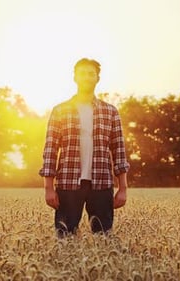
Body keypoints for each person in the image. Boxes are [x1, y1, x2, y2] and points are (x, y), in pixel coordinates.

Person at [39, 58, 130, 237]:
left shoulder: (110, 111)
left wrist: (123, 188)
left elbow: (118, 150)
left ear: (97, 78)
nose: (86, 77)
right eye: (82, 73)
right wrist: (48, 187)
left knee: (104, 238)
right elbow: (50, 149)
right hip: (68, 182)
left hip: (102, 183)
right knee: (65, 237)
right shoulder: (60, 110)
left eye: (91, 74)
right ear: (75, 77)